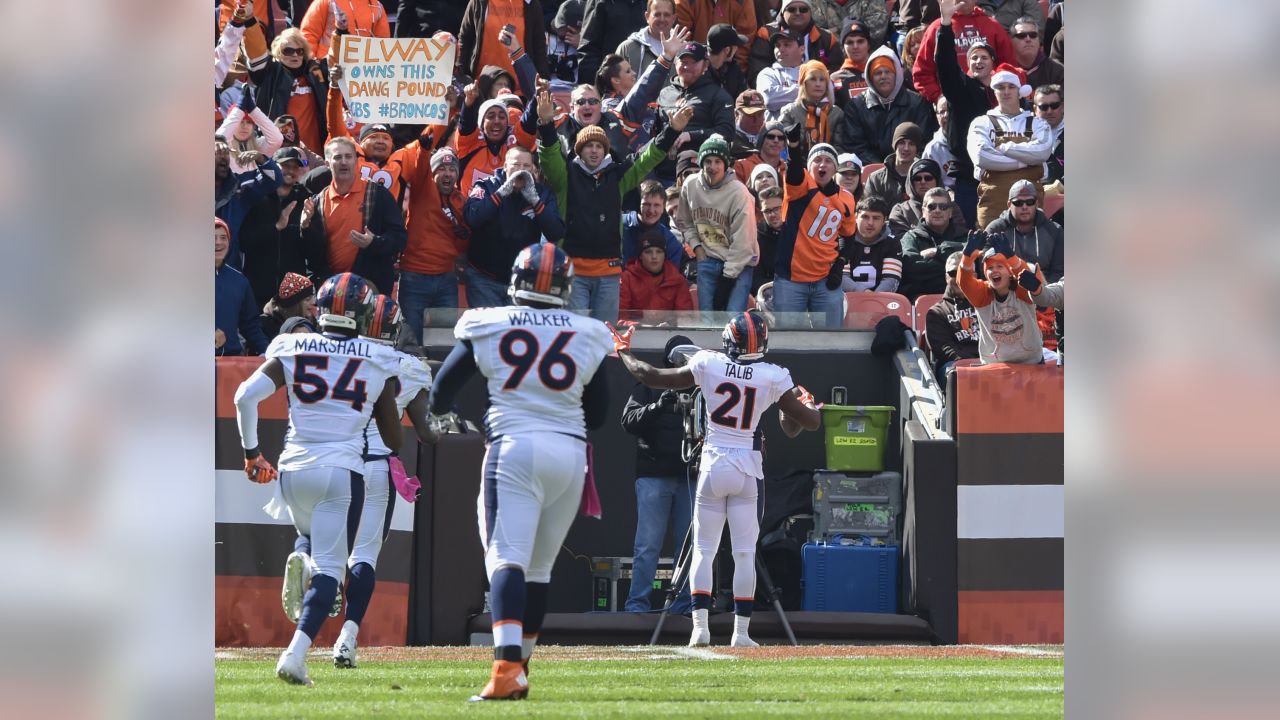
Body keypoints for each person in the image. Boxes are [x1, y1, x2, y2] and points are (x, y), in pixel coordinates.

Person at [428, 242, 615, 701]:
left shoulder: (489, 321)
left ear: (517, 282)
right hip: (570, 455)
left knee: (505, 557)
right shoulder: (587, 331)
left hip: (513, 448)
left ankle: (508, 668)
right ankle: (521, 671)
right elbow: (600, 413)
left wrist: (447, 413)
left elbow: (442, 390)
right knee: (539, 568)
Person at [234, 272, 404, 686]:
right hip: (340, 469)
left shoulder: (292, 344)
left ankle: (303, 559)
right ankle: (295, 655)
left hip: (291, 466)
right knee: (333, 570)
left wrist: (252, 452)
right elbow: (394, 439)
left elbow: (244, 396)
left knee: (310, 538)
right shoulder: (375, 357)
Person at [614, 310, 822, 647]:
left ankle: (700, 628)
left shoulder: (709, 363)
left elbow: (649, 375)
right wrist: (809, 406)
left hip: (713, 462)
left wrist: (623, 350)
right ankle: (741, 633)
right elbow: (802, 425)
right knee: (743, 553)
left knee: (704, 550)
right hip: (748, 469)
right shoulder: (773, 375)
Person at [329, 295, 442, 669]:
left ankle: (323, 578)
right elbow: (427, 433)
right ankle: (348, 634)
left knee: (328, 548)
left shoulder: (334, 354)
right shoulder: (409, 368)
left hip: (336, 462)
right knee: (364, 554)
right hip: (377, 467)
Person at [538, 90, 691, 322]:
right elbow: (549, 156)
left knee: (605, 337)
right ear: (579, 149)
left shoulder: (618, 176)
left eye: (599, 146)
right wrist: (546, 124)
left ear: (606, 150)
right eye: (588, 146)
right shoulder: (565, 175)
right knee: (576, 335)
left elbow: (647, 157)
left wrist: (671, 131)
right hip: (573, 271)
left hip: (608, 272)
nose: (594, 150)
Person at [620, 335, 699, 613]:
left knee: (688, 548)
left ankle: (683, 605)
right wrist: (658, 406)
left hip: (690, 477)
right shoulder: (649, 384)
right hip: (654, 476)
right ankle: (637, 606)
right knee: (647, 547)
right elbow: (628, 421)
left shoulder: (703, 387)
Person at [300, 137, 407, 296]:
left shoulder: (378, 194)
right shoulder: (317, 202)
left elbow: (400, 239)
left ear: (356, 162)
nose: (344, 162)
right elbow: (313, 257)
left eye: (348, 156)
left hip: (370, 292)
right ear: (327, 163)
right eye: (337, 157)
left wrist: (374, 242)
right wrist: (305, 228)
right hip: (331, 291)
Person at [462, 146, 565, 308]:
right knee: (489, 331)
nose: (521, 171)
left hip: (521, 281)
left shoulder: (542, 193)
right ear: (505, 166)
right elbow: (472, 218)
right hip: (484, 278)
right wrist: (502, 192)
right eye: (516, 165)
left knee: (515, 332)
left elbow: (556, 232)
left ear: (532, 168)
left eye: (526, 166)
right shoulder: (486, 186)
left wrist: (535, 201)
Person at [772, 141, 857, 327]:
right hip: (791, 280)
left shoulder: (847, 198)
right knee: (790, 342)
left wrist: (840, 264)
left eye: (828, 161)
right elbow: (794, 174)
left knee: (830, 341)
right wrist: (794, 148)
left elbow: (849, 235)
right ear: (809, 166)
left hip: (825, 280)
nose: (822, 164)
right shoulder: (802, 185)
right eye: (817, 160)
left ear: (835, 168)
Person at [933, 0, 998, 227]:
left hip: (1001, 175)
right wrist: (946, 24)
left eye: (984, 57)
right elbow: (946, 65)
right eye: (974, 57)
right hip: (967, 177)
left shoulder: (1005, 92)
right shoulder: (961, 90)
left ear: (993, 63)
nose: (979, 61)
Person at [677, 134, 759, 314]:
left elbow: (744, 241)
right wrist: (696, 247)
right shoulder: (690, 185)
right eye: (708, 161)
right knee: (708, 321)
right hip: (707, 258)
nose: (712, 167)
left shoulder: (739, 193)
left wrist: (728, 277)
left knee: (733, 319)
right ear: (701, 162)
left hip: (739, 265)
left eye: (717, 162)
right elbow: (683, 220)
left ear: (725, 164)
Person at [396, 147, 470, 342]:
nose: (447, 173)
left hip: (446, 280)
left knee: (444, 344)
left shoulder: (461, 201)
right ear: (432, 172)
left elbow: (463, 245)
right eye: (441, 168)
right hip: (414, 278)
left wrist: (464, 236)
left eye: (452, 169)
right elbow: (420, 166)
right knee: (411, 342)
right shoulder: (423, 188)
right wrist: (425, 148)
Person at [967, 62, 1052, 228]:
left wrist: (1005, 148)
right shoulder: (981, 123)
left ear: (1020, 90)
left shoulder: (1038, 123)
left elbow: (1042, 152)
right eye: (1000, 87)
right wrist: (1026, 161)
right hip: (993, 205)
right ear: (994, 91)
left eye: (1011, 86)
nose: (1006, 92)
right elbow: (982, 156)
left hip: (1031, 205)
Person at [651, 42, 737, 182]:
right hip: (662, 172)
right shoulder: (664, 93)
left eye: (693, 62)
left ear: (705, 65)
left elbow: (727, 132)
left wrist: (690, 135)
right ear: (675, 63)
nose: (687, 67)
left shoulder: (718, 95)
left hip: (699, 175)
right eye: (683, 62)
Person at [955, 230, 1043, 364]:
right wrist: (967, 259)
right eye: (990, 268)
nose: (994, 270)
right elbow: (964, 282)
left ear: (1009, 272)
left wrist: (1012, 258)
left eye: (1000, 266)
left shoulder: (1021, 290)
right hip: (995, 365)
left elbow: (1030, 279)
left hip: (1031, 362)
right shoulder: (981, 294)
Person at [238, 147, 312, 305]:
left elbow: (314, 253)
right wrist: (276, 227)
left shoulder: (306, 200)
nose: (290, 171)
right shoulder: (256, 197)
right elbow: (244, 242)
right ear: (274, 168)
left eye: (295, 167)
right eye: (285, 166)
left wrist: (305, 228)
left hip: (293, 294)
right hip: (257, 290)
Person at [839, 47, 934, 167]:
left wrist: (903, 165)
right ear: (870, 77)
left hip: (910, 168)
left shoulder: (917, 103)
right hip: (871, 171)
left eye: (888, 71)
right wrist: (882, 168)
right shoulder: (856, 106)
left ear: (897, 75)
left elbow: (923, 141)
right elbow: (856, 146)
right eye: (878, 73)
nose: (883, 76)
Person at [243, 24, 330, 152]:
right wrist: (249, 20)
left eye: (299, 51)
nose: (295, 55)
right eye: (288, 51)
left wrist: (341, 30)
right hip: (281, 152)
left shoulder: (316, 73)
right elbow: (255, 50)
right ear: (278, 53)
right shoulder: (269, 73)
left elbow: (339, 59)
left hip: (316, 152)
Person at [911, 0, 1013, 105]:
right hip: (952, 106)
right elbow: (922, 72)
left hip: (991, 102)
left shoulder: (992, 25)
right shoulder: (936, 28)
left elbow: (1009, 66)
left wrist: (996, 90)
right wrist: (938, 97)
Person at [216, 141, 283, 269]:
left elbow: (275, 180)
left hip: (229, 269)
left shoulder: (240, 186)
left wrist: (260, 158)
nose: (223, 157)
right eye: (217, 153)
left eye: (226, 153)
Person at [983, 179, 1063, 282]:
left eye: (1030, 202)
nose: (1024, 207)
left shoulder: (1055, 230)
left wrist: (1042, 293)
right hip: (1006, 290)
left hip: (1045, 289)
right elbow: (984, 267)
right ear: (1009, 204)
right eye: (1018, 202)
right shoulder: (995, 229)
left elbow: (1059, 271)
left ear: (1037, 204)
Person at [746, 0, 841, 84]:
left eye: (803, 9)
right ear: (783, 12)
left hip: (819, 96)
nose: (798, 13)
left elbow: (836, 73)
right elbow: (756, 75)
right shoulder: (767, 33)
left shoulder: (827, 38)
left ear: (810, 12)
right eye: (792, 9)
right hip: (778, 96)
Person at [899, 186, 967, 300]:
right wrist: (953, 267)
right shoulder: (911, 237)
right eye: (931, 206)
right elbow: (912, 270)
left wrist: (938, 251)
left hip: (962, 299)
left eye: (943, 207)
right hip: (921, 299)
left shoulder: (965, 236)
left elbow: (974, 265)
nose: (937, 210)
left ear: (950, 212)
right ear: (923, 211)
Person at [457, 0, 550, 82]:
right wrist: (462, 76)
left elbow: (539, 47)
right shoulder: (479, 2)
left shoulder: (532, 4)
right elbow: (464, 40)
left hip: (520, 90)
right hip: (482, 85)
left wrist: (544, 79)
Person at [216, 218, 271, 356]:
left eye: (223, 237)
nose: (218, 242)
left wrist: (267, 351)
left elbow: (251, 324)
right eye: (213, 238)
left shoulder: (239, 281)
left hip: (230, 361)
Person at [924, 250, 981, 382]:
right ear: (946, 277)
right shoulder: (936, 312)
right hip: (958, 368)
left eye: (966, 273)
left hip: (990, 362)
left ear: (976, 276)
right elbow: (945, 350)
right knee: (955, 373)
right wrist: (975, 364)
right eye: (954, 273)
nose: (960, 278)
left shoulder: (988, 305)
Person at [620, 230, 696, 317]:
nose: (654, 256)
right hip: (635, 329)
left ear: (665, 255)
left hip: (668, 329)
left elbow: (685, 316)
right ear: (640, 256)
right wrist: (640, 323)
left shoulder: (677, 280)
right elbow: (620, 315)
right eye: (648, 252)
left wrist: (670, 325)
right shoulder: (626, 278)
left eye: (659, 252)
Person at [888, 157, 967, 237]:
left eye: (928, 178)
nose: (923, 182)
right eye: (917, 178)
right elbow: (899, 240)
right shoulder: (900, 210)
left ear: (937, 181)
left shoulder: (951, 207)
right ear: (911, 183)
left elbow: (960, 235)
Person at [839, 196, 903, 293]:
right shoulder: (843, 239)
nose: (870, 223)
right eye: (865, 217)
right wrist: (864, 293)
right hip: (847, 300)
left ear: (884, 220)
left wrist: (875, 300)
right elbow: (841, 277)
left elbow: (891, 279)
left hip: (881, 300)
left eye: (876, 218)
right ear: (855, 217)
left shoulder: (892, 242)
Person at [578, 0, 651, 83]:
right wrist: (592, 87)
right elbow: (589, 48)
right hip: (609, 85)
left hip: (645, 84)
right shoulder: (600, 2)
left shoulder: (648, 3)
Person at [778, 60, 845, 147]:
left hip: (829, 160)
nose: (818, 84)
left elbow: (840, 148)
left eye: (822, 80)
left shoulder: (836, 113)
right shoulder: (789, 112)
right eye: (812, 79)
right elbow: (781, 147)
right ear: (803, 83)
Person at [676, 2, 758, 73]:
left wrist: (736, 73)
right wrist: (694, 68)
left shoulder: (742, 2)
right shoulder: (686, 2)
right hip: (695, 68)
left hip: (729, 69)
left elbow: (745, 41)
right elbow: (683, 39)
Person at [623, 180, 687, 266]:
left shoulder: (670, 242)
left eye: (656, 205)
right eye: (646, 204)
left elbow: (671, 277)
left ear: (663, 208)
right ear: (638, 204)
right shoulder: (619, 225)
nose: (651, 210)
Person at [300, 0, 391, 59]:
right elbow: (309, 34)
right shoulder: (326, 2)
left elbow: (383, 43)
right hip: (328, 68)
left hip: (364, 72)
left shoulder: (377, 6)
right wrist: (311, 64)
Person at [612, 0, 678, 79]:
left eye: (666, 15)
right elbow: (616, 84)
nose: (662, 19)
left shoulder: (683, 50)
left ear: (673, 18)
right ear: (647, 16)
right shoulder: (627, 48)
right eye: (657, 14)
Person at [864, 121, 925, 204]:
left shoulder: (927, 177)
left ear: (917, 149)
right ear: (895, 146)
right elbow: (870, 209)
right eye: (902, 143)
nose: (906, 148)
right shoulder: (876, 179)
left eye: (911, 144)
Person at [755, 29, 806, 120]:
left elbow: (824, 97)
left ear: (801, 49)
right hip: (778, 131)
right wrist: (806, 91)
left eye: (786, 45)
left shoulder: (813, 71)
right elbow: (769, 99)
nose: (780, 49)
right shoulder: (767, 73)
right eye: (777, 46)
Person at [259, 272, 317, 340]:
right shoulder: (265, 325)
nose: (313, 302)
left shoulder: (313, 320)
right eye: (307, 300)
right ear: (294, 304)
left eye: (313, 297)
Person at [829, 19, 872, 112]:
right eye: (850, 42)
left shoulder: (881, 72)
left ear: (868, 45)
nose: (855, 46)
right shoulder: (835, 79)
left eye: (860, 41)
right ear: (843, 48)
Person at [1010, 15, 1062, 90]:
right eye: (1022, 35)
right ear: (1011, 41)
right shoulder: (1004, 71)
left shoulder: (1057, 71)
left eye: (1033, 35)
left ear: (1039, 40)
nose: (1028, 39)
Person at [704, 23, 752, 101]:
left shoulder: (733, 68)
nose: (737, 49)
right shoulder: (697, 69)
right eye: (736, 46)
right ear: (727, 50)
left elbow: (745, 96)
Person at [752, 185, 785, 295]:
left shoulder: (798, 231)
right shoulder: (756, 236)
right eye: (767, 211)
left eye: (777, 209)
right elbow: (755, 278)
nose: (772, 215)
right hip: (770, 291)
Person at [734, 119, 788, 184]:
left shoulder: (788, 170)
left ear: (784, 144)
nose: (776, 140)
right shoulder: (741, 166)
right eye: (771, 137)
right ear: (761, 140)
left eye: (781, 138)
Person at [922, 97, 958, 189]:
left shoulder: (970, 140)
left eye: (949, 110)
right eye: (942, 112)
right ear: (937, 116)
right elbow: (927, 180)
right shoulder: (932, 149)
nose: (945, 115)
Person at [1033, 84, 1064, 185]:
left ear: (1063, 107)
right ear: (1035, 110)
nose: (1049, 111)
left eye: (1054, 105)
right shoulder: (1025, 134)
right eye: (1044, 107)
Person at [548, 0, 585, 83]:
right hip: (546, 90)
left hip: (575, 91)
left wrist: (583, 45)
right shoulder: (542, 35)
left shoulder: (587, 41)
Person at [976, 0, 1043, 33]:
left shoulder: (1026, 1)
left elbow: (1036, 30)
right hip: (982, 50)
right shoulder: (974, 3)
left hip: (1016, 49)